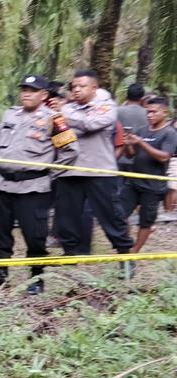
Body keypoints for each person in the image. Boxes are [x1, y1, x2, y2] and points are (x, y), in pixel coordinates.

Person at [0, 75, 78, 295]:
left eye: (32, 90)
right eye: (24, 89)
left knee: (35, 235)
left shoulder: (55, 119)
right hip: (3, 184)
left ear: (43, 95)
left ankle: (36, 279)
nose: (26, 94)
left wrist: (50, 173)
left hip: (33, 187)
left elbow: (71, 151)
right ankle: (0, 274)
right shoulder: (10, 114)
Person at [55, 70, 135, 270]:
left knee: (111, 216)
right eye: (74, 87)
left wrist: (66, 116)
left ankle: (125, 257)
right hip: (70, 170)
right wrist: (69, 117)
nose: (77, 90)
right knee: (66, 217)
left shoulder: (107, 106)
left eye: (82, 86)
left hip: (99, 170)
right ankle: (69, 257)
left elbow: (92, 124)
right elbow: (59, 134)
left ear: (94, 87)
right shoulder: (68, 107)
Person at [120, 97, 176, 253]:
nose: (149, 115)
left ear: (165, 112)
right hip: (133, 181)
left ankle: (134, 251)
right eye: (148, 112)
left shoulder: (169, 133)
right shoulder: (142, 130)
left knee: (146, 221)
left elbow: (164, 156)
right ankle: (125, 246)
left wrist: (140, 142)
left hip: (153, 186)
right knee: (119, 214)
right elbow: (131, 155)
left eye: (153, 112)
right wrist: (127, 144)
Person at [117, 84, 148, 181]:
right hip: (139, 159)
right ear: (142, 98)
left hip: (119, 157)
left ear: (126, 96)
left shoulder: (117, 111)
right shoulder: (149, 113)